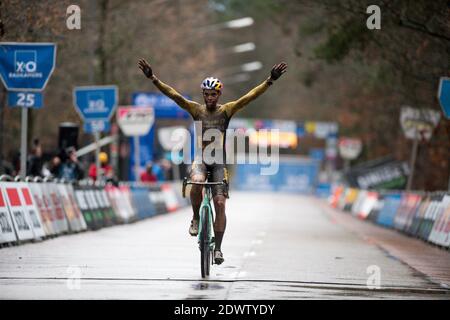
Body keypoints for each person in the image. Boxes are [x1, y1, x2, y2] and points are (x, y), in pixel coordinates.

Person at [138, 58, 287, 264]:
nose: (209, 97)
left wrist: (269, 80)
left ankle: (217, 248)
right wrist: (153, 78)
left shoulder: (226, 110)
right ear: (203, 95)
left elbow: (249, 97)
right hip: (201, 159)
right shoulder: (196, 110)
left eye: (213, 94)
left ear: (219, 95)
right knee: (197, 182)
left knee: (219, 203)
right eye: (206, 94)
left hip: (218, 162)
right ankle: (197, 218)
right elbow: (173, 95)